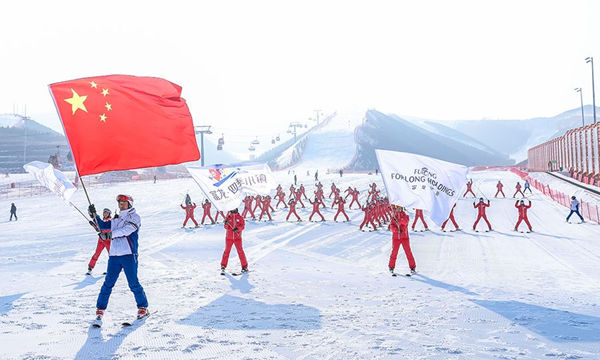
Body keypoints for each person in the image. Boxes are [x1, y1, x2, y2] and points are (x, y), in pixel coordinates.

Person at [89, 194, 148, 325]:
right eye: (119, 202)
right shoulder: (116, 218)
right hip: (114, 255)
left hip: (128, 255)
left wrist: (109, 235)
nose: (121, 204)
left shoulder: (134, 217)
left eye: (123, 202)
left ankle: (143, 307)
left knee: (133, 283)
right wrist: (94, 215)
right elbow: (103, 226)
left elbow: (126, 230)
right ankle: (100, 310)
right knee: (108, 283)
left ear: (130, 204)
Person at [388, 206, 416, 275]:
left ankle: (412, 267)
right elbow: (391, 226)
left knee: (408, 252)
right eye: (397, 207)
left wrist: (399, 220)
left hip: (404, 238)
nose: (398, 209)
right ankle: (391, 266)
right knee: (394, 252)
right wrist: (396, 230)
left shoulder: (405, 216)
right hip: (396, 238)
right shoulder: (393, 217)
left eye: (399, 208)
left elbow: (405, 222)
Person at [221, 208, 248, 273]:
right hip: (229, 238)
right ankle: (223, 265)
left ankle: (244, 266)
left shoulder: (240, 217)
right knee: (226, 251)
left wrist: (237, 229)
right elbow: (226, 227)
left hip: (237, 238)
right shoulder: (228, 217)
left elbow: (243, 226)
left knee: (240, 251)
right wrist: (226, 223)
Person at [87, 208, 112, 275]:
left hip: (108, 240)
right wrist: (93, 224)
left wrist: (95, 218)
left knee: (111, 255)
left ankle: (112, 269)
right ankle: (90, 267)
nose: (105, 214)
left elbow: (104, 227)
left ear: (109, 214)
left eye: (107, 212)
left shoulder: (110, 220)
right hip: (101, 240)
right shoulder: (102, 220)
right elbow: (99, 228)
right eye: (104, 212)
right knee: (97, 253)